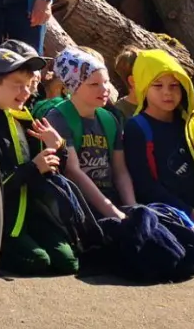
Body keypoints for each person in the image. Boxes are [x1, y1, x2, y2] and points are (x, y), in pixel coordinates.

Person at [0, 40, 79, 275]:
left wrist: (57, 148)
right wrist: (33, 167)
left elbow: (54, 170)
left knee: (68, 262)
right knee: (38, 262)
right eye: (18, 84)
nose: (27, 92)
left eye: (29, 85)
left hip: (33, 211)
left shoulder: (25, 118)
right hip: (5, 218)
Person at [123, 49, 194, 246]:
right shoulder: (136, 128)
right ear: (143, 88)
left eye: (174, 85)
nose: (167, 92)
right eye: (157, 85)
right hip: (168, 214)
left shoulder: (193, 125)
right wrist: (191, 214)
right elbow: (146, 187)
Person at [44, 47, 133, 221]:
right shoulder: (58, 118)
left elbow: (120, 170)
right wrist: (116, 214)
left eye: (106, 82)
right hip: (81, 206)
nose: (104, 89)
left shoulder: (109, 119)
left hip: (110, 200)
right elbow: (73, 171)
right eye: (94, 84)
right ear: (72, 87)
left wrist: (132, 207)